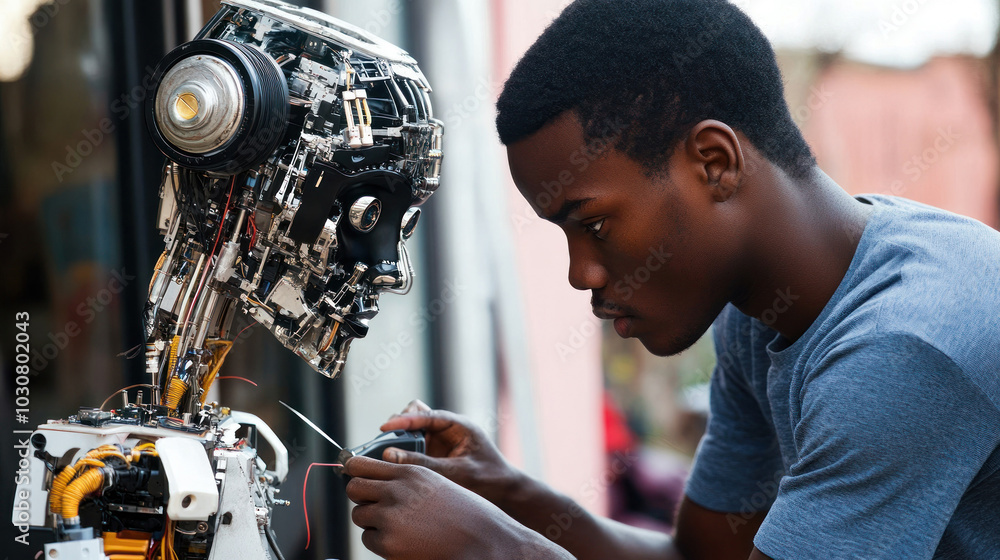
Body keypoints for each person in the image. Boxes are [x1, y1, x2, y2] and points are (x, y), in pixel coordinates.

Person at [342, 0, 1000, 558]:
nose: (581, 274)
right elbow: (700, 556)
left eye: (593, 225)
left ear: (713, 163)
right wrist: (509, 494)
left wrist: (497, 547)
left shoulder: (905, 347)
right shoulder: (762, 311)